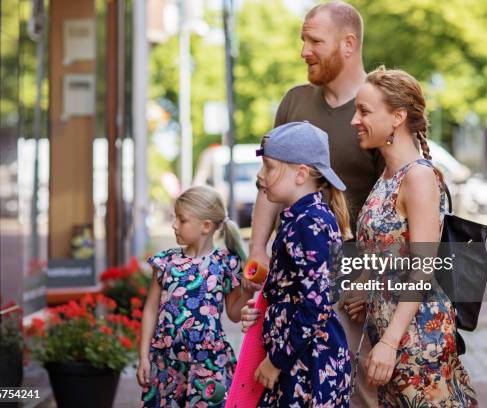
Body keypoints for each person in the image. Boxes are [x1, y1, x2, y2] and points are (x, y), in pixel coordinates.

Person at [248, 2, 383, 406]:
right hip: (297, 273)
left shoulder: (375, 103)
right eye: (303, 39)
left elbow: (395, 207)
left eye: (314, 40)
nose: (304, 49)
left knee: (354, 391)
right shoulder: (295, 101)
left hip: (352, 281)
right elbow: (270, 184)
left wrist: (368, 280)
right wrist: (257, 249)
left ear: (348, 44)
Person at [351, 66, 479, 407]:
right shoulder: (387, 176)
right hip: (390, 331)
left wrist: (390, 342)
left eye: (364, 111)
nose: (354, 120)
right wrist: (366, 287)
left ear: (397, 116)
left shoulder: (419, 177)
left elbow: (423, 269)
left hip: (417, 337)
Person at [243, 121, 352, 407]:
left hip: (307, 368)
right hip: (297, 362)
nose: (260, 175)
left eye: (269, 167)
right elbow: (291, 292)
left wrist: (276, 361)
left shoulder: (310, 223)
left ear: (301, 174)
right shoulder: (299, 219)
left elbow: (317, 304)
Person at [136, 186, 257, 407]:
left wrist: (248, 290)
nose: (174, 225)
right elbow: (151, 309)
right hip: (167, 361)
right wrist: (144, 356)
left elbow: (233, 313)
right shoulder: (165, 263)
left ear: (206, 226)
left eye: (182, 220)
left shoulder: (225, 264)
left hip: (208, 364)